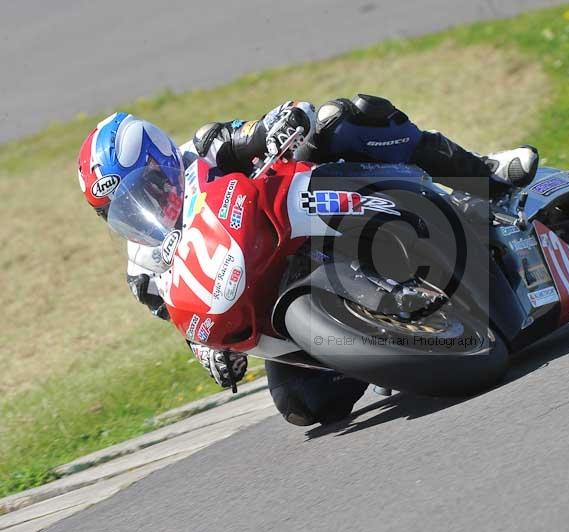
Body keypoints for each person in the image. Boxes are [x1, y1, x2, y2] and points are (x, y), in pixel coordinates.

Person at [77, 94, 539, 426]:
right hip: (271, 296)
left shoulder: (203, 150)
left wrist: (283, 122)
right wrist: (208, 351)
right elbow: (185, 320)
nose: (145, 206)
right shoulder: (145, 274)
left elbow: (260, 128)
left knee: (342, 119)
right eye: (121, 209)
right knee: (303, 404)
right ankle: (395, 344)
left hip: (310, 212)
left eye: (147, 187)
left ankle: (485, 173)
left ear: (161, 159)